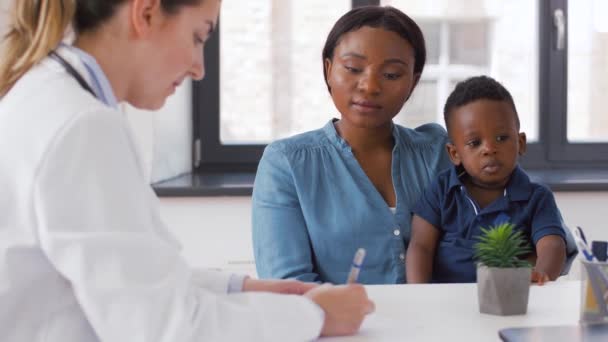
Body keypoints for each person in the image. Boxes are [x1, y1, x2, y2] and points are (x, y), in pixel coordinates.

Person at [0, 1, 374, 341]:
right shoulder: (82, 126)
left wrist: (243, 288)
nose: (199, 68)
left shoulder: (46, 96)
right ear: (145, 13)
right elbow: (166, 328)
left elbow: (128, 277)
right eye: (198, 37)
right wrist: (314, 316)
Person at [252, 6, 452, 284]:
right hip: (339, 327)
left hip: (440, 323)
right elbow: (289, 287)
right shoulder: (287, 164)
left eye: (392, 74)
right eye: (353, 68)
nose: (369, 86)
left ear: (413, 82)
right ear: (329, 70)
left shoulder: (436, 152)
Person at [406, 75, 569, 284]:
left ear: (520, 143)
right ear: (455, 154)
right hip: (445, 303)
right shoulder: (442, 189)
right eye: (475, 143)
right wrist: (419, 293)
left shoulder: (537, 198)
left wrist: (540, 276)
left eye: (501, 138)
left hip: (509, 302)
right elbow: (421, 246)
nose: (489, 149)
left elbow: (552, 245)